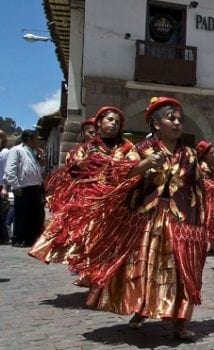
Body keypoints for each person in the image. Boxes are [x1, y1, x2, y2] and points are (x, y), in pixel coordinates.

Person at [79, 96, 214, 341]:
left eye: (179, 120)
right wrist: (144, 165)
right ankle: (141, 310)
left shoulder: (190, 155)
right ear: (156, 124)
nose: (176, 123)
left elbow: (198, 183)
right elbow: (117, 173)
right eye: (170, 118)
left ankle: (180, 323)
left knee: (181, 271)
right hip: (148, 219)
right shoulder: (140, 151)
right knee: (146, 267)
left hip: (181, 221)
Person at [30, 105, 135, 267]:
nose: (114, 124)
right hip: (89, 201)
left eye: (118, 122)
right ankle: (88, 269)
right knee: (86, 238)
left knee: (109, 242)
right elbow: (74, 167)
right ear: (99, 123)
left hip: (116, 202)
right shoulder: (85, 149)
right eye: (110, 119)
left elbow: (133, 166)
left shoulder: (126, 147)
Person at [4, 131, 45, 247]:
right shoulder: (17, 150)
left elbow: (37, 169)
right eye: (36, 139)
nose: (37, 141)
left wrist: (41, 160)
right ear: (29, 139)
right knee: (22, 214)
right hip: (23, 187)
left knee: (35, 214)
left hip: (35, 187)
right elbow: (10, 169)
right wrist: (16, 186)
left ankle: (30, 238)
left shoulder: (33, 152)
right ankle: (18, 239)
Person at [195, 139, 214, 256]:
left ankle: (211, 245)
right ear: (205, 154)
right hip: (206, 198)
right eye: (211, 153)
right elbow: (208, 184)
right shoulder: (203, 166)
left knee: (212, 220)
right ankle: (204, 244)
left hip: (212, 197)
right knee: (206, 220)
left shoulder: (211, 166)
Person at [0, 130, 10, 244]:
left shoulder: (5, 153)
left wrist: (5, 188)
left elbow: (7, 172)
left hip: (1, 185)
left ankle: (4, 237)